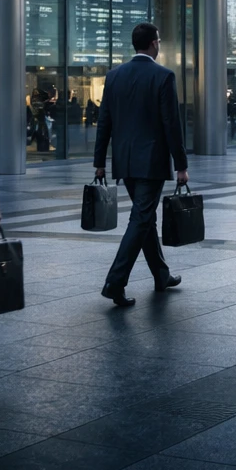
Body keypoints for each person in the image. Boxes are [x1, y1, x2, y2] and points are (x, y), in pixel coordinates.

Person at [94, 22, 188, 307]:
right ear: (153, 44)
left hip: (125, 163)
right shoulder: (163, 76)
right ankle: (114, 282)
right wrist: (181, 165)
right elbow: (172, 125)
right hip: (151, 163)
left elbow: (104, 123)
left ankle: (161, 275)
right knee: (141, 219)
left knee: (145, 218)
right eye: (158, 41)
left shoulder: (114, 76)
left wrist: (99, 162)